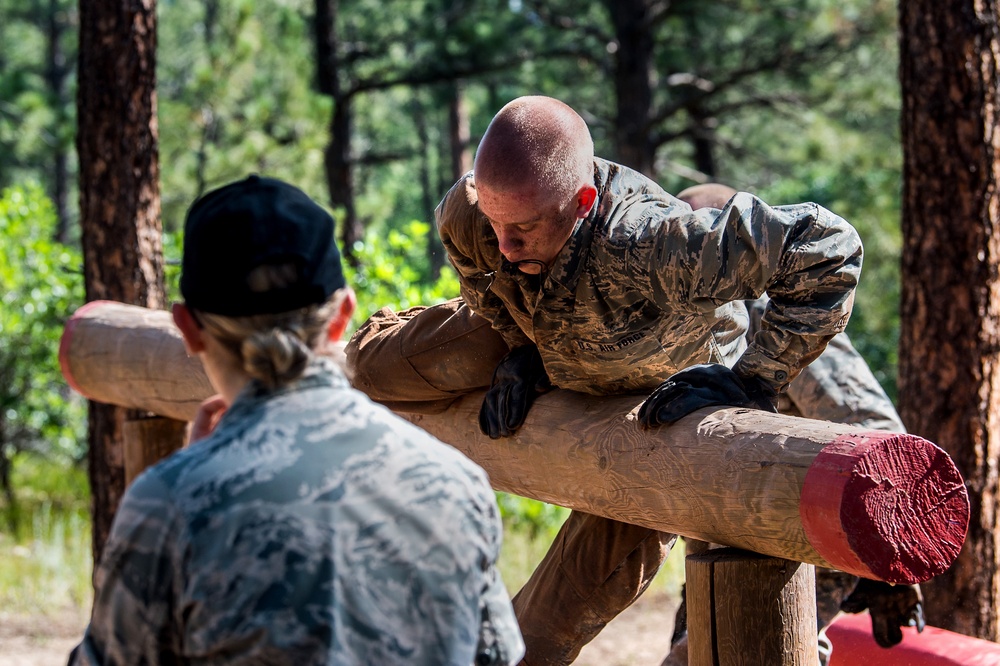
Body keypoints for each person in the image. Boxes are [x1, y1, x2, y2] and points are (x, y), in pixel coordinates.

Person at [345, 95, 885, 664]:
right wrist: (522, 348)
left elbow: (828, 248)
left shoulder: (652, 242)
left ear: (582, 203)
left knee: (537, 640)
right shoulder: (473, 214)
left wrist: (755, 380)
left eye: (524, 228)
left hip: (653, 399)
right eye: (495, 223)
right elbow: (482, 271)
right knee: (358, 370)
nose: (505, 246)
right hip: (534, 335)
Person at [69, 175, 525, 665]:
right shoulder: (456, 485)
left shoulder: (168, 505)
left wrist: (191, 475)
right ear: (342, 315)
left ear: (188, 329)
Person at [658, 183, 923, 666]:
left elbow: (878, 430)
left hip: (805, 531)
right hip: (727, 537)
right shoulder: (675, 320)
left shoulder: (776, 318)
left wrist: (891, 565)